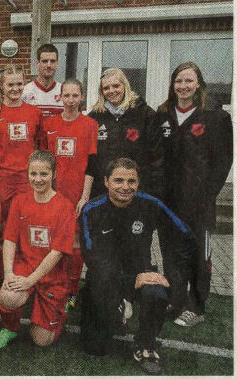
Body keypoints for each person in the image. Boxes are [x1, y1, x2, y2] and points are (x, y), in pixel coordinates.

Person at [79, 158, 195, 374]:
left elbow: (186, 236)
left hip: (141, 272)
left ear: (138, 182)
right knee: (95, 347)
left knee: (156, 293)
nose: (125, 187)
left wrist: (171, 276)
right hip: (104, 279)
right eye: (118, 180)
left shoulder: (151, 204)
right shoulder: (91, 211)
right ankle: (113, 307)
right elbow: (93, 261)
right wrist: (130, 281)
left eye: (131, 181)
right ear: (106, 181)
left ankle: (145, 344)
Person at [154, 62, 233, 327]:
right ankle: (175, 300)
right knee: (171, 254)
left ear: (198, 83)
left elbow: (223, 161)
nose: (183, 86)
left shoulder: (215, 116)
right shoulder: (162, 114)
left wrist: (208, 194)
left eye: (189, 81)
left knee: (200, 255)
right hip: (168, 202)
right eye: (179, 81)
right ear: (172, 84)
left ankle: (196, 307)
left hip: (199, 203)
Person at [0, 151, 75, 349]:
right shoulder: (20, 201)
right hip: (25, 266)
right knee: (8, 296)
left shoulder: (65, 207)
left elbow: (57, 252)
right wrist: (9, 273)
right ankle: (10, 328)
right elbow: (9, 240)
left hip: (53, 275)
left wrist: (31, 280)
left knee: (41, 340)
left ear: (53, 174)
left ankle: (66, 305)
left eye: (43, 174)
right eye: (33, 174)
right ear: (27, 174)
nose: (38, 179)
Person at [41, 78, 98, 305]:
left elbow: (92, 164)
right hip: (53, 193)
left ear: (81, 97)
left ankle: (72, 290)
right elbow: (44, 162)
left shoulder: (89, 125)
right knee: (52, 240)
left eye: (76, 96)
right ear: (60, 97)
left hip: (77, 193)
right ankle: (52, 283)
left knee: (75, 242)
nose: (71, 100)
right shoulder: (49, 124)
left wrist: (85, 196)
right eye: (67, 95)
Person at [0, 65, 44, 279]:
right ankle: (3, 276)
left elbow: (40, 149)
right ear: (2, 86)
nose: (15, 88)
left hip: (26, 182)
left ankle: (25, 274)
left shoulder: (35, 113)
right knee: (0, 232)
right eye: (10, 84)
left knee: (25, 230)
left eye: (19, 84)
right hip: (0, 181)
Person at [87, 68, 162, 199]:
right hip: (102, 191)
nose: (111, 91)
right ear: (101, 92)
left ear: (125, 86)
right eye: (106, 88)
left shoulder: (145, 114)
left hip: (135, 191)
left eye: (116, 86)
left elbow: (157, 155)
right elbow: (89, 160)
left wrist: (151, 190)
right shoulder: (94, 117)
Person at [22, 43, 63, 118]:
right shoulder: (25, 92)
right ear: (37, 63)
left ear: (57, 63)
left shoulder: (64, 92)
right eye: (45, 61)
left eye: (52, 61)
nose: (49, 65)